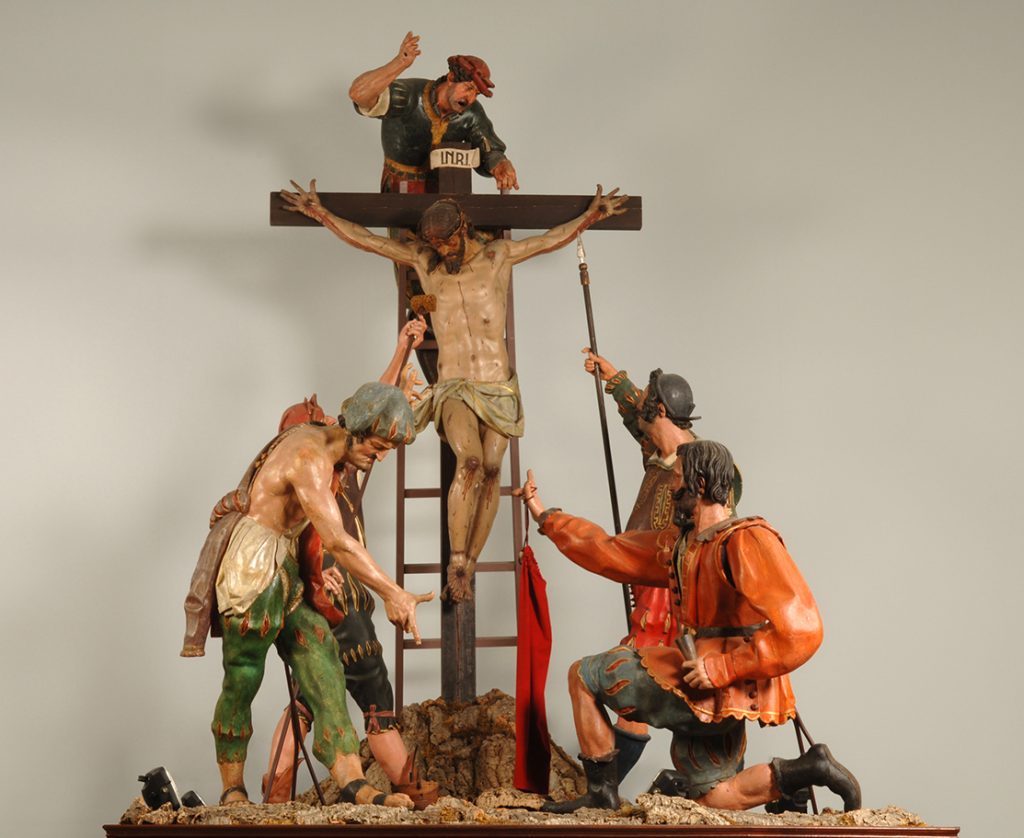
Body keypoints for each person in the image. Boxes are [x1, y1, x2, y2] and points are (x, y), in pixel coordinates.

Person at [280, 179, 628, 602]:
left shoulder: (497, 257)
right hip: (454, 385)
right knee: (471, 461)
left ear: (462, 229)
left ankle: (470, 563)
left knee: (494, 470)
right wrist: (320, 213)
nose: (442, 251)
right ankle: (457, 559)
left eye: (447, 242)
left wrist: (590, 216)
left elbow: (549, 239)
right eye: (435, 245)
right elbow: (370, 241)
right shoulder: (425, 264)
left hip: (498, 385)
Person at [515, 440, 860, 813]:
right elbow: (609, 550)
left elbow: (802, 629)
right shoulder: (684, 544)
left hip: (715, 682)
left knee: (584, 675)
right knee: (713, 798)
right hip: (710, 687)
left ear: (700, 482)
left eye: (676, 478)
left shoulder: (746, 540)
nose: (670, 487)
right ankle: (808, 769)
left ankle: (601, 795)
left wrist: (723, 667)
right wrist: (546, 517)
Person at [182, 383, 434, 808]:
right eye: (378, 447)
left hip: (287, 568)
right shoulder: (310, 458)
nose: (380, 457)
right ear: (356, 430)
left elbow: (316, 532)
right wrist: (394, 593)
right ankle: (233, 789)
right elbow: (337, 540)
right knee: (243, 676)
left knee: (324, 664)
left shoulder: (332, 445)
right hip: (252, 564)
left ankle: (353, 782)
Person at [262, 322, 426, 802]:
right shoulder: (310, 472)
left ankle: (276, 790)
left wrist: (401, 349)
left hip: (326, 597)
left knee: (310, 697)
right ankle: (410, 789)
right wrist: (315, 571)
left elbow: (372, 407)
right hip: (336, 597)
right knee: (374, 692)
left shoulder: (339, 459)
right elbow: (287, 539)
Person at [580, 352, 713, 783]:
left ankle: (605, 785)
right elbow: (636, 417)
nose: (641, 418)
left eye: (647, 409)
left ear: (661, 412)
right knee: (649, 677)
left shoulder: (699, 464)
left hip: (670, 590)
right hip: (647, 580)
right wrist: (614, 378)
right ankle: (609, 783)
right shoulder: (658, 452)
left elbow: (716, 524)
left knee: (638, 674)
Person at [349, 32, 518, 193]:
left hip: (447, 188)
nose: (470, 98)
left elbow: (488, 147)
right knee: (403, 214)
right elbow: (358, 94)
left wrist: (500, 164)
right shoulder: (408, 96)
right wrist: (400, 62)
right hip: (401, 186)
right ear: (451, 78)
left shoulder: (471, 113)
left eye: (477, 93)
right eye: (468, 88)